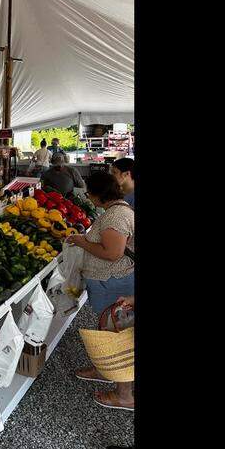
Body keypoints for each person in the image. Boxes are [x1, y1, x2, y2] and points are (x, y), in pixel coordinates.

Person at [66, 173, 134, 409]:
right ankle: (103, 368)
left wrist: (81, 241)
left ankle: (124, 394)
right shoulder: (117, 210)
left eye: (88, 193)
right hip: (109, 281)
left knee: (119, 333)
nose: (87, 196)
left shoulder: (116, 215)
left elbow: (112, 253)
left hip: (114, 281)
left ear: (97, 194)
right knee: (108, 326)